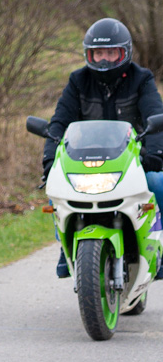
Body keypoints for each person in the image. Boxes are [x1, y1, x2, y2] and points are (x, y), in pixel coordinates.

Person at [43, 18, 163, 278]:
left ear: (125, 53)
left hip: (133, 157)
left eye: (111, 52)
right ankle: (66, 248)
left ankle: (159, 250)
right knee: (58, 190)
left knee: (158, 183)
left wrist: (155, 154)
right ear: (89, 55)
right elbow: (59, 123)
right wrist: (50, 161)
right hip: (84, 158)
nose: (104, 60)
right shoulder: (77, 80)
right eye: (98, 53)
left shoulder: (142, 79)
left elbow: (156, 115)